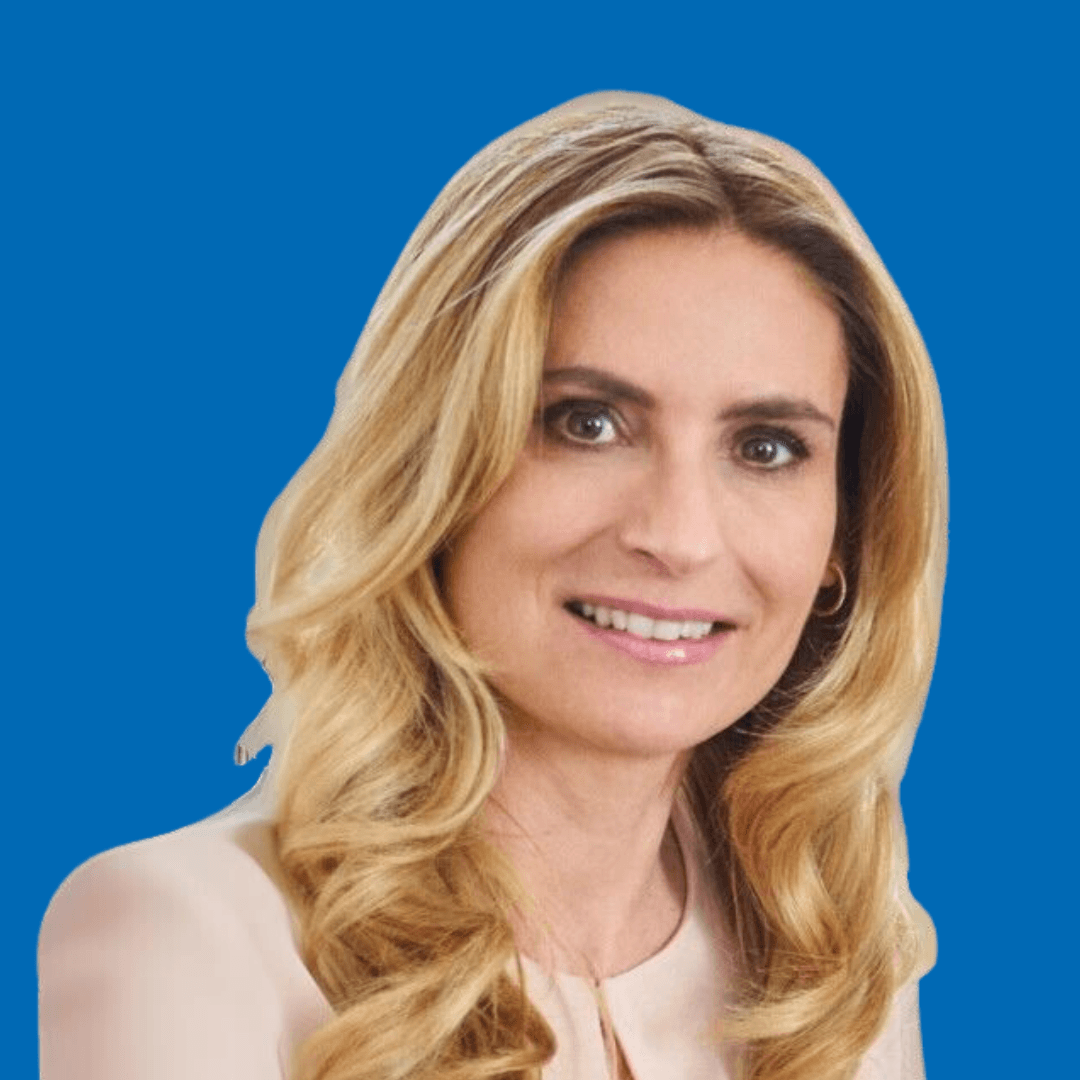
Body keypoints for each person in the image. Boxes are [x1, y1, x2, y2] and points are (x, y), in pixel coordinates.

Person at [38, 92, 945, 1080]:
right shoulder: (185, 937)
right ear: (430, 471)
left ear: (844, 536)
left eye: (766, 448)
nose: (679, 537)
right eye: (586, 423)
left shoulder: (829, 952)